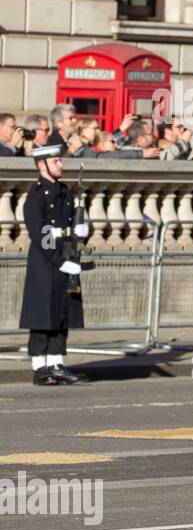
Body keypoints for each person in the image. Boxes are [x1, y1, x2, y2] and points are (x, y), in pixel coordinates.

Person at [20, 143, 89, 386]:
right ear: (42, 165)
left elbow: (71, 224)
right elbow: (41, 234)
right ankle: (40, 367)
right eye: (56, 161)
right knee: (42, 314)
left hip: (65, 257)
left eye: (60, 160)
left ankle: (56, 363)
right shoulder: (37, 195)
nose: (61, 164)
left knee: (62, 312)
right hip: (46, 260)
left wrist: (83, 231)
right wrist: (60, 262)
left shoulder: (65, 192)